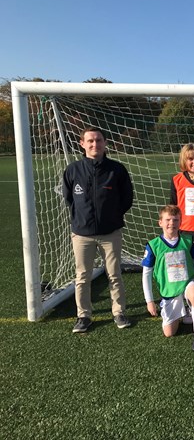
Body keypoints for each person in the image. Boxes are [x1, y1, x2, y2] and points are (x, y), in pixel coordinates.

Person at [62, 127, 134, 333]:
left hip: (110, 233)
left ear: (105, 143)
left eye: (99, 141)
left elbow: (127, 199)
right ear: (82, 144)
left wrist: (111, 217)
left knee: (114, 274)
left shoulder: (117, 169)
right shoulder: (73, 170)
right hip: (82, 234)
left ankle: (119, 312)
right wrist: (83, 219)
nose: (95, 145)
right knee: (82, 276)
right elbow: (69, 199)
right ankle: (83, 316)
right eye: (91, 141)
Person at [141, 205, 194, 352]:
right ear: (160, 223)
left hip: (188, 283)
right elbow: (146, 274)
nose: (172, 223)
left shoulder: (188, 241)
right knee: (169, 333)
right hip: (170, 290)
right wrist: (149, 301)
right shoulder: (153, 246)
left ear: (180, 222)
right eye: (168, 220)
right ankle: (184, 314)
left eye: (175, 220)